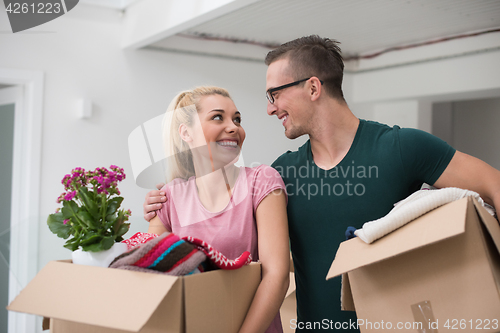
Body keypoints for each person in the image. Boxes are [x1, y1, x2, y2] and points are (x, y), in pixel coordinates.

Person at [144, 37, 500, 332]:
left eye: (275, 95)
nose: (270, 109)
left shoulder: (402, 147)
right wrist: (163, 205)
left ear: (313, 87)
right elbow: (224, 226)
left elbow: (492, 183)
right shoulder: (281, 173)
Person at [146, 86, 290, 333]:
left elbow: (276, 277)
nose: (234, 127)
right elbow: (151, 276)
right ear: (186, 133)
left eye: (237, 119)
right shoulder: (168, 197)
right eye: (217, 117)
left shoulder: (262, 181)